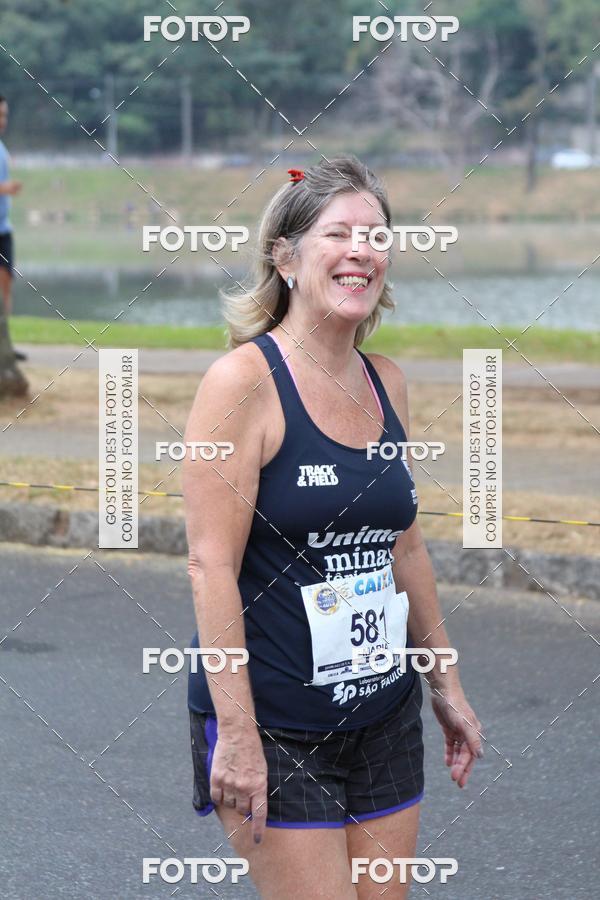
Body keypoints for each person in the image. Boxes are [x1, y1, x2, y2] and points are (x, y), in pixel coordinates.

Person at [182, 156, 482, 899]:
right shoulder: (243, 384)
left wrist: (444, 680)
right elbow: (208, 566)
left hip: (382, 713)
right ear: (284, 257)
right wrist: (240, 737)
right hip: (276, 721)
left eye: (376, 236)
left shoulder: (387, 381)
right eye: (339, 234)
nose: (362, 251)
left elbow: (404, 545)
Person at [0, 94, 25, 361]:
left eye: (4, 115)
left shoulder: (2, 147)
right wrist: (4, 189)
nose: (2, 121)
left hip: (3, 229)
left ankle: (4, 343)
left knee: (5, 285)